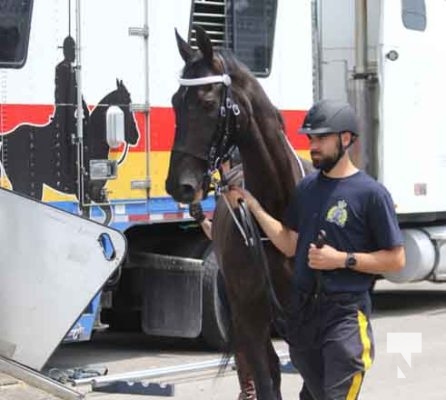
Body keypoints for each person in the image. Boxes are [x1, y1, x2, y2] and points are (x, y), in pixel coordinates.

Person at [228, 99, 405, 400]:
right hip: (303, 319)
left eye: (321, 137)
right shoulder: (307, 189)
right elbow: (290, 243)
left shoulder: (371, 194)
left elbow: (396, 259)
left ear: (345, 138)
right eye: (311, 138)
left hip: (345, 318)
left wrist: (342, 259)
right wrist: (252, 206)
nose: (313, 145)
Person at [188, 151, 256, 400]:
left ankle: (250, 392)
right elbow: (218, 234)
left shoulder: (237, 191)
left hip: (244, 276)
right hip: (239, 275)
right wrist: (201, 218)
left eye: (221, 166)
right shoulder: (233, 192)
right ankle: (250, 391)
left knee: (244, 332)